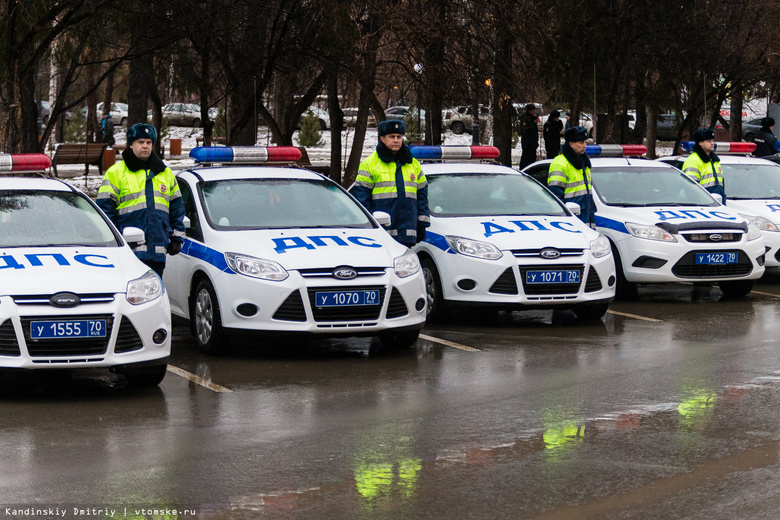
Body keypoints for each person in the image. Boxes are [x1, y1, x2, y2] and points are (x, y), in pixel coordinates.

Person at [97, 123, 185, 277]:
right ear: (131, 145)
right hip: (127, 252)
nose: (145, 146)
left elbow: (177, 209)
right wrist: (113, 241)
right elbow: (104, 213)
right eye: (140, 142)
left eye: (149, 142)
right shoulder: (115, 173)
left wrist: (177, 237)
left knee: (154, 295)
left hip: (157, 250)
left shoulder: (165, 173)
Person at [350, 119, 429, 246]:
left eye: (399, 136)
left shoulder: (413, 164)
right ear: (382, 139)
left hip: (407, 232)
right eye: (391, 137)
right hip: (381, 233)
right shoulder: (369, 164)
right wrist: (369, 226)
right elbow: (362, 200)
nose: (396, 140)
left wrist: (422, 223)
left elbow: (422, 196)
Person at [547, 126, 596, 227]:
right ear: (571, 144)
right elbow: (555, 198)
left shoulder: (584, 164)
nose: (585, 146)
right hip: (570, 222)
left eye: (586, 142)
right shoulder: (560, 163)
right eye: (581, 142)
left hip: (585, 219)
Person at [681, 128, 725, 200]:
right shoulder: (692, 161)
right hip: (702, 204)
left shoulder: (715, 161)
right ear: (700, 143)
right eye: (708, 141)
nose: (712, 143)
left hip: (717, 203)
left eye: (713, 140)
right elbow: (690, 188)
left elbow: (721, 186)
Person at [518, 104, 539, 169]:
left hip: (532, 141)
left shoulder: (532, 118)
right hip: (528, 142)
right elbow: (525, 131)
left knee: (531, 157)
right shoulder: (526, 118)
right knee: (526, 157)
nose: (534, 111)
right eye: (533, 110)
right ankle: (524, 168)